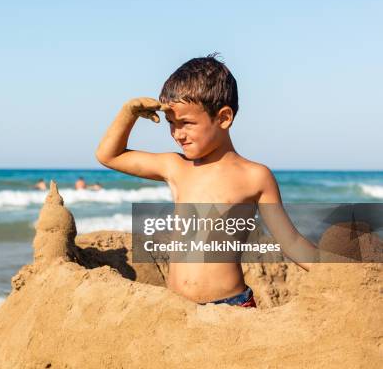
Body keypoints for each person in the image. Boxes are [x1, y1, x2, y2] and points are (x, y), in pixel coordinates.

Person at [96, 54, 316, 308]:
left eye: (187, 123)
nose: (178, 134)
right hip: (179, 309)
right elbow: (109, 155)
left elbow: (291, 242)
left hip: (232, 307)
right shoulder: (176, 166)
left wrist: (345, 274)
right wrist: (128, 113)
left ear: (223, 118)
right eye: (171, 123)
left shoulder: (255, 176)